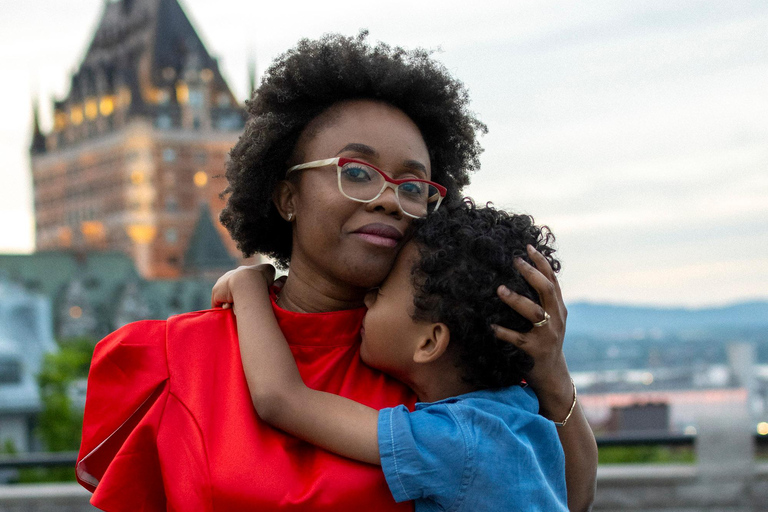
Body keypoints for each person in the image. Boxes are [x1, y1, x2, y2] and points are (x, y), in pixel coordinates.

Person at [76, 33, 597, 511]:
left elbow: (567, 501)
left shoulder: (456, 365)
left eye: (413, 186)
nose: (389, 199)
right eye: (357, 172)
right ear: (287, 197)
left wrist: (553, 376)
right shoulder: (175, 359)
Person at [212, 201, 570, 511]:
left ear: (429, 343)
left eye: (381, 291)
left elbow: (281, 399)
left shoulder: (452, 440)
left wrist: (248, 286)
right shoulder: (523, 409)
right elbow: (575, 498)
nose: (367, 298)